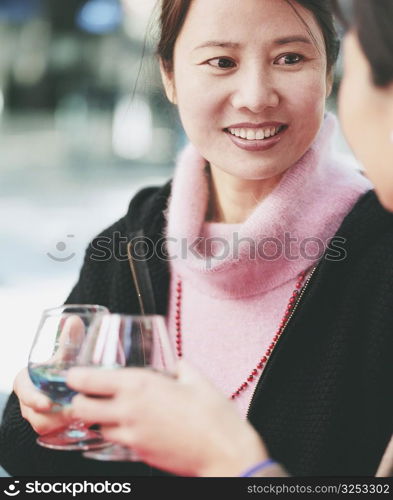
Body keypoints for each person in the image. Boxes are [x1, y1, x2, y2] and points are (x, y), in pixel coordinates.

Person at [0, 0, 392, 477]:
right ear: (169, 76)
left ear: (329, 73)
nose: (255, 96)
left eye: (290, 58)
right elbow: (31, 461)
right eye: (221, 62)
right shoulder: (131, 242)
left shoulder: (380, 251)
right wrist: (39, 415)